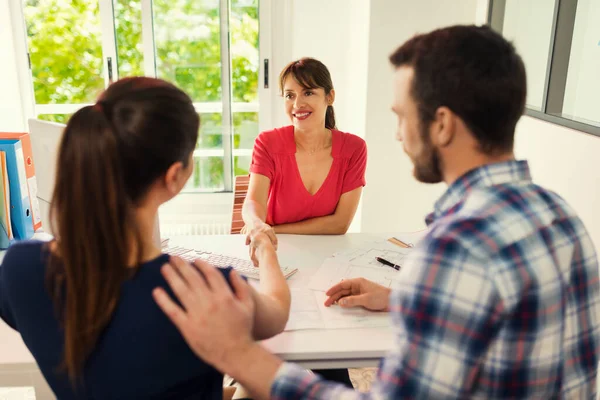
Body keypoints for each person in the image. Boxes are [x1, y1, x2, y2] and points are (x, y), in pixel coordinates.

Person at [153, 25, 600, 399]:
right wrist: (401, 296)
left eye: (402, 116)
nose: (400, 136)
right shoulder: (562, 217)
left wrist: (240, 356)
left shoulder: (454, 249)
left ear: (441, 124)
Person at [0, 77, 290, 399]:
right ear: (173, 176)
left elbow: (116, 379)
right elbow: (277, 313)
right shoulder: (202, 291)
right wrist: (265, 250)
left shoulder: (19, 269)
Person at [242, 57, 367, 387]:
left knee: (325, 351)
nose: (297, 103)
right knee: (270, 357)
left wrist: (273, 229)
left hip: (322, 265)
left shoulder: (353, 148)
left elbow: (339, 224)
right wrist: (256, 223)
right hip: (274, 262)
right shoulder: (269, 142)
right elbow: (252, 202)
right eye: (288, 95)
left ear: (330, 97)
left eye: (308, 92)